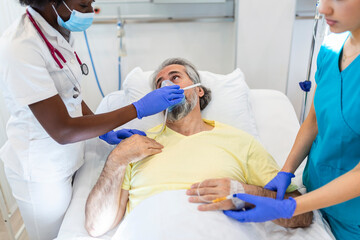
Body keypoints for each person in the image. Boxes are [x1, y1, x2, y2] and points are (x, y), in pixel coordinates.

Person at [0, 1, 184, 239]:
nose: (89, 11)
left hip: (70, 153)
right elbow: (62, 130)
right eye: (84, 4)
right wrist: (138, 109)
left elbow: (70, 95)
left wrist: (101, 129)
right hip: (42, 168)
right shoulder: (21, 47)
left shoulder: (59, 28)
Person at [84, 58, 313, 237]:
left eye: (175, 77)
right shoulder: (135, 146)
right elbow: (96, 227)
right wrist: (117, 160)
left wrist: (243, 192)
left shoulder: (239, 141)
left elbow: (302, 214)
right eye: (159, 84)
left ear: (199, 90)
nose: (166, 85)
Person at [222, 1, 360, 239]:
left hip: (352, 215)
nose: (323, 9)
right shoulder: (331, 47)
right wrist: (287, 170)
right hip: (314, 191)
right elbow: (313, 121)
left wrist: (290, 208)